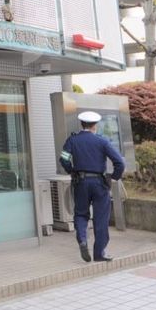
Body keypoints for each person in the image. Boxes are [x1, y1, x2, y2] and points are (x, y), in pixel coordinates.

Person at [59, 111, 125, 263]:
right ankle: (99, 253)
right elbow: (119, 163)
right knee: (101, 217)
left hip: (80, 182)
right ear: (95, 125)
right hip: (99, 183)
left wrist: (72, 171)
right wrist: (113, 177)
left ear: (81, 124)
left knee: (81, 214)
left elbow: (63, 159)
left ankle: (82, 239)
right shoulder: (102, 141)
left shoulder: (72, 140)